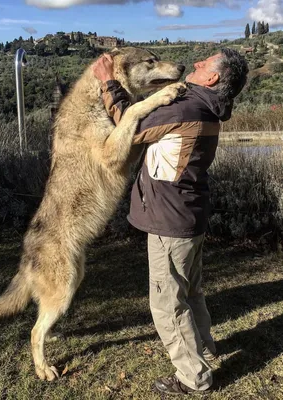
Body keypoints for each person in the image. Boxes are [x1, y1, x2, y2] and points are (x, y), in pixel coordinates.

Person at [92, 48, 248, 395]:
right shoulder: (207, 107)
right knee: (191, 291)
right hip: (190, 216)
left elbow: (126, 127)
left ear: (212, 78)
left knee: (167, 304)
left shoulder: (185, 107)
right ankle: (205, 348)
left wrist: (108, 82)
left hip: (170, 221)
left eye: (204, 63)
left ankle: (194, 377)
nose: (195, 63)